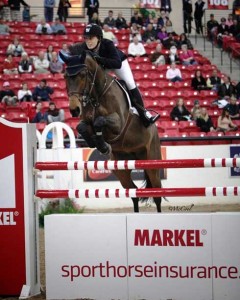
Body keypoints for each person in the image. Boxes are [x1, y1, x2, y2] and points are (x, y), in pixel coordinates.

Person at [67, 23, 160, 127]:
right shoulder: (84, 47)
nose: (88, 41)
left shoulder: (108, 44)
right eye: (86, 38)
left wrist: (99, 59)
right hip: (102, 67)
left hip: (117, 63)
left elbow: (117, 63)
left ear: (99, 38)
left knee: (130, 83)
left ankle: (144, 113)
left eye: (91, 38)